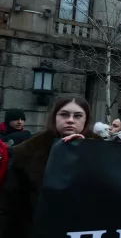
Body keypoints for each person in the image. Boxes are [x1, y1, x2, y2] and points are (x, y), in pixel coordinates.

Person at [0, 96, 104, 237]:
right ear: (54, 117)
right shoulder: (28, 151)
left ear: (86, 119)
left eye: (78, 116)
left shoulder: (102, 149)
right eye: (64, 114)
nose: (70, 120)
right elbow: (10, 206)